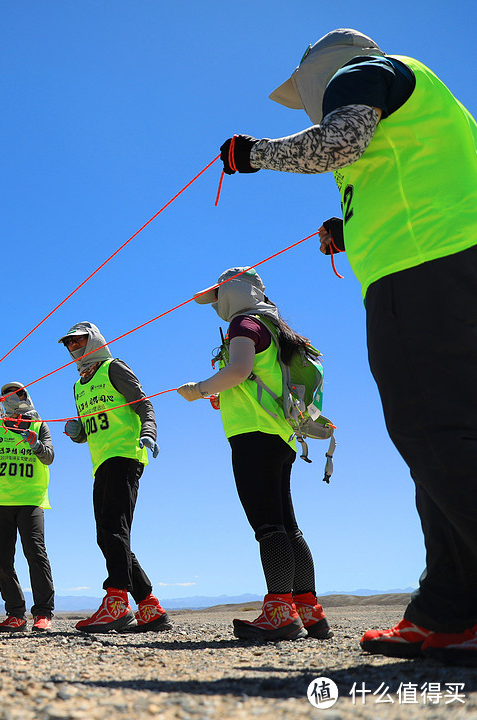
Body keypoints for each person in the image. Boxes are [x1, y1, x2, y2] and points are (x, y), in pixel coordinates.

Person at [219, 29, 477, 663]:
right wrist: (348, 226)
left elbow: (338, 141)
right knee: (440, 440)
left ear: (317, 74)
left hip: (424, 271)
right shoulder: (409, 95)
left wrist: (252, 154)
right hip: (443, 266)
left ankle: (454, 610)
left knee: (435, 433)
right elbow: (396, 170)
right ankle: (449, 612)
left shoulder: (360, 74)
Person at [177, 268, 331, 641]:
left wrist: (199, 390)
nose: (216, 306)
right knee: (287, 525)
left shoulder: (244, 323)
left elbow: (239, 369)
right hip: (281, 436)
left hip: (252, 436)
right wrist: (223, 391)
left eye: (217, 298)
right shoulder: (275, 327)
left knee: (267, 526)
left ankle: (279, 612)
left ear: (230, 293)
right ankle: (308, 609)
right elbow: (254, 377)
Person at [58, 321, 170, 634]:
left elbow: (143, 403)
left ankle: (117, 603)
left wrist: (149, 431)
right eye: (68, 344)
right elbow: (90, 426)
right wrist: (77, 433)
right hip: (101, 462)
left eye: (78, 341)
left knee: (112, 529)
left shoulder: (113, 368)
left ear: (93, 340)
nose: (72, 348)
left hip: (126, 454)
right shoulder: (79, 384)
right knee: (109, 534)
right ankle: (149, 607)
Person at [0, 381, 56, 632]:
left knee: (35, 553)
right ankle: (16, 613)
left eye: (16, 393)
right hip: (0, 500)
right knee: (1, 557)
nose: (11, 398)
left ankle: (43, 613)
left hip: (31, 500)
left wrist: (35, 444)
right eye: (6, 395)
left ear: (25, 395)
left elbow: (49, 457)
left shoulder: (39, 425)